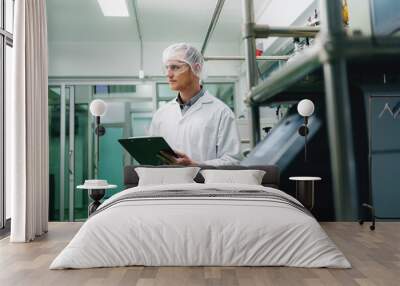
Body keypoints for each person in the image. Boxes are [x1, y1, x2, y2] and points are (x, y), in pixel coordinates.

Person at [148, 43, 241, 166]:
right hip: (168, 184)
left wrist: (196, 165)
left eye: (175, 67)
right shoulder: (161, 115)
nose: (169, 74)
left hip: (202, 184)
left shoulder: (221, 112)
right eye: (167, 67)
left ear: (196, 68)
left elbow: (233, 161)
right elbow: (152, 158)